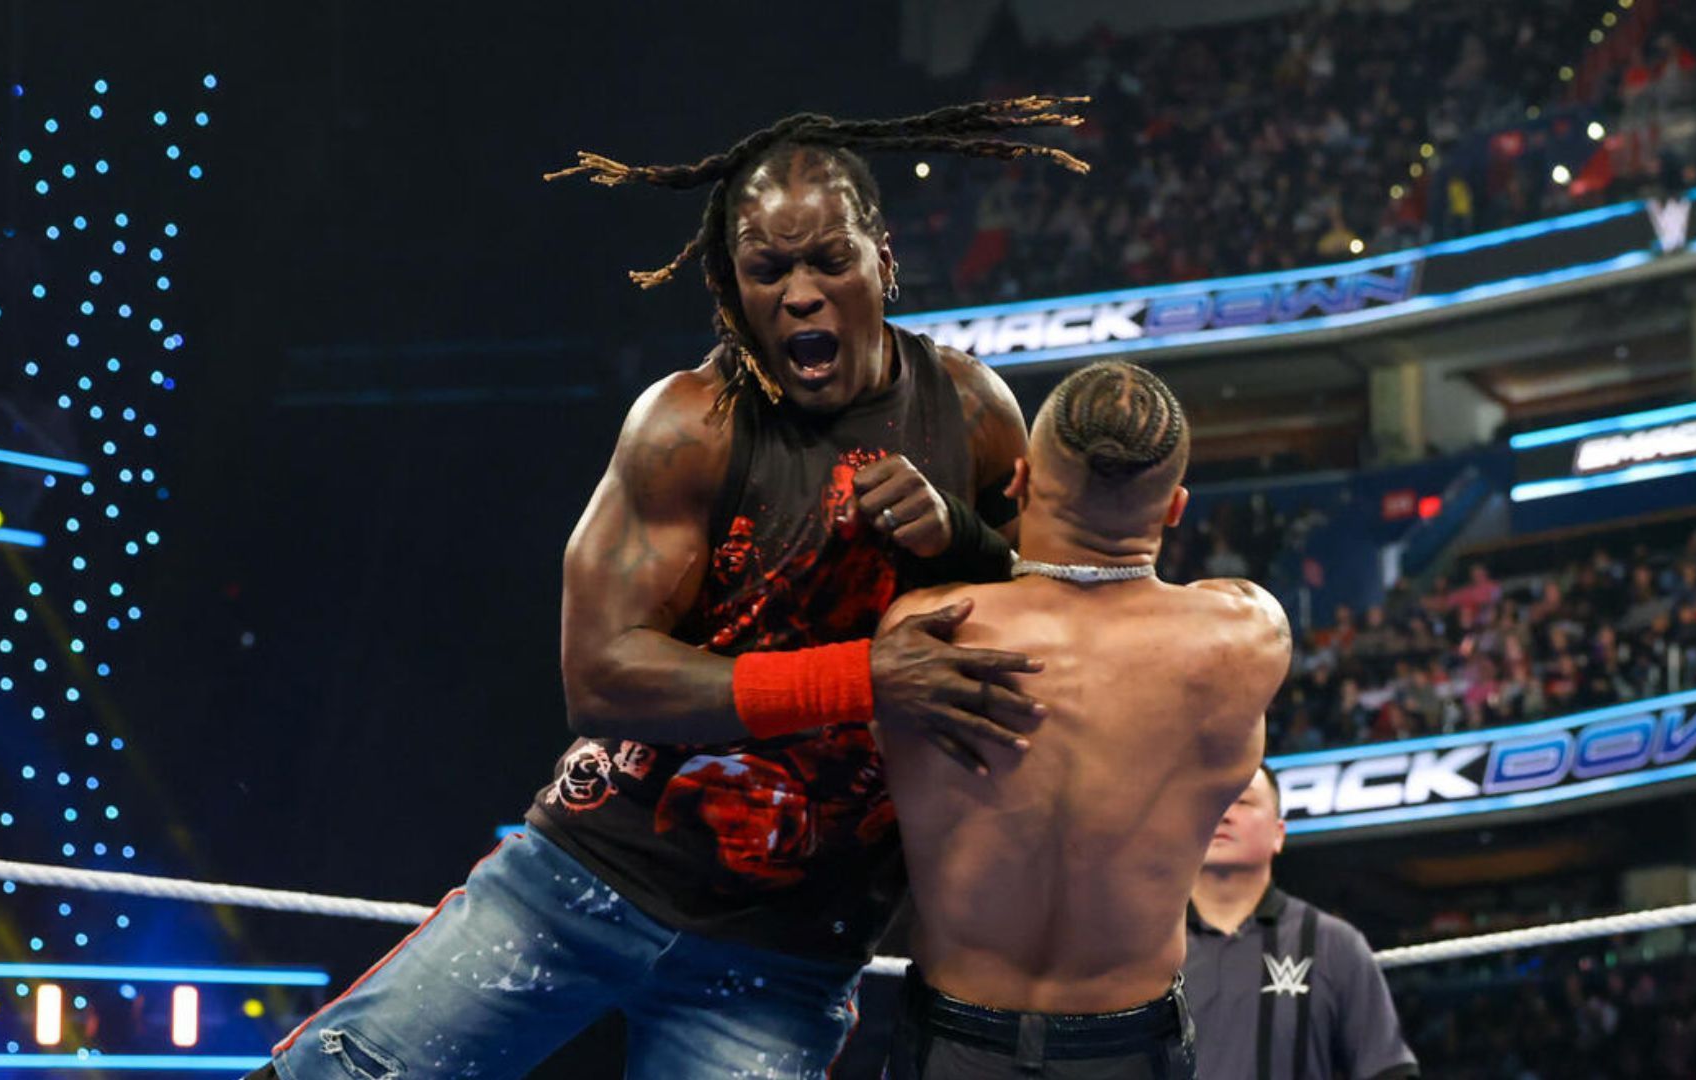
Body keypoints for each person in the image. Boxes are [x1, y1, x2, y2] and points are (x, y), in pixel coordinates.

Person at [245, 98, 1092, 1080]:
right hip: (583, 887)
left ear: (882, 257)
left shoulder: (974, 414)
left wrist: (964, 539)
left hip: (783, 957)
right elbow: (601, 675)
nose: (802, 295)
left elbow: (1067, 625)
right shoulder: (691, 425)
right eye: (768, 272)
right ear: (732, 286)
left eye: (829, 261)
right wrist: (867, 677)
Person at [875, 361, 1294, 1079]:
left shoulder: (923, 631)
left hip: (955, 1039)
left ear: (1020, 479)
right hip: (1128, 1047)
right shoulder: (1247, 638)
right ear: (1174, 508)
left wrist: (965, 535)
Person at [1185, 764, 1419, 1080]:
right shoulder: (1143, 947)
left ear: (1278, 834)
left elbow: (1387, 1069)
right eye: (1213, 801)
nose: (1224, 814)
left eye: (1243, 801)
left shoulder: (1333, 944)